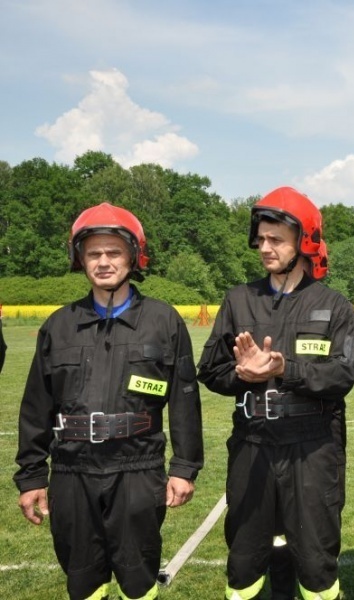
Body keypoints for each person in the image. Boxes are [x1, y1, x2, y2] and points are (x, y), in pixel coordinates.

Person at [14, 202, 204, 600]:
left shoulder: (164, 321)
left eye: (114, 252)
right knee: (83, 580)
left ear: (134, 257)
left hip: (138, 468)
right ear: (79, 259)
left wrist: (184, 467)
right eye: (93, 253)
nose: (103, 262)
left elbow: (185, 401)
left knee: (138, 579)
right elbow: (36, 407)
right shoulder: (58, 326)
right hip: (72, 470)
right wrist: (32, 475)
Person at [197, 186, 354, 600]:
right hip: (252, 445)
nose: (264, 248)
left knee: (315, 559)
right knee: (246, 557)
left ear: (304, 244)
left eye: (276, 240)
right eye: (261, 239)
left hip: (313, 447)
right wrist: (242, 376)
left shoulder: (335, 306)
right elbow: (210, 371)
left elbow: (344, 373)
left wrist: (288, 369)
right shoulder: (238, 300)